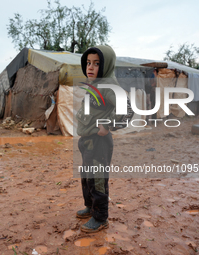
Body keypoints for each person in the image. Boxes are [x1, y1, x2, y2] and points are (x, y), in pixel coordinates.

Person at [75, 45, 121, 233]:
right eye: (88, 63)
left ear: (106, 65)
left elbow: (127, 108)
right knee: (87, 178)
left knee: (98, 179)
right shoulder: (94, 84)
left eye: (96, 63)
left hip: (99, 142)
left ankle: (100, 218)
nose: (90, 67)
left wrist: (109, 125)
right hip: (87, 141)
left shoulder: (109, 86)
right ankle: (90, 207)